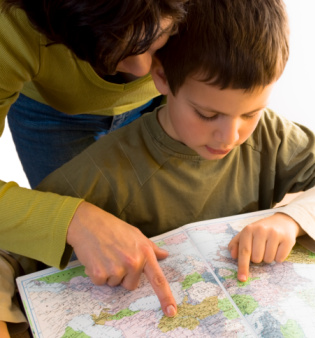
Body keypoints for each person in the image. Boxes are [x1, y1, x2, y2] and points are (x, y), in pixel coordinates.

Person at [34, 0, 315, 325]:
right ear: (161, 78)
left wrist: (290, 220)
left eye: (251, 113)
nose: (229, 137)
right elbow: (11, 253)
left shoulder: (270, 136)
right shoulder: (104, 170)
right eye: (207, 114)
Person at [0, 0, 188, 335]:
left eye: (162, 34)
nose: (141, 69)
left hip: (163, 101)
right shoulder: (7, 24)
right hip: (50, 111)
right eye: (112, 48)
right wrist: (72, 220)